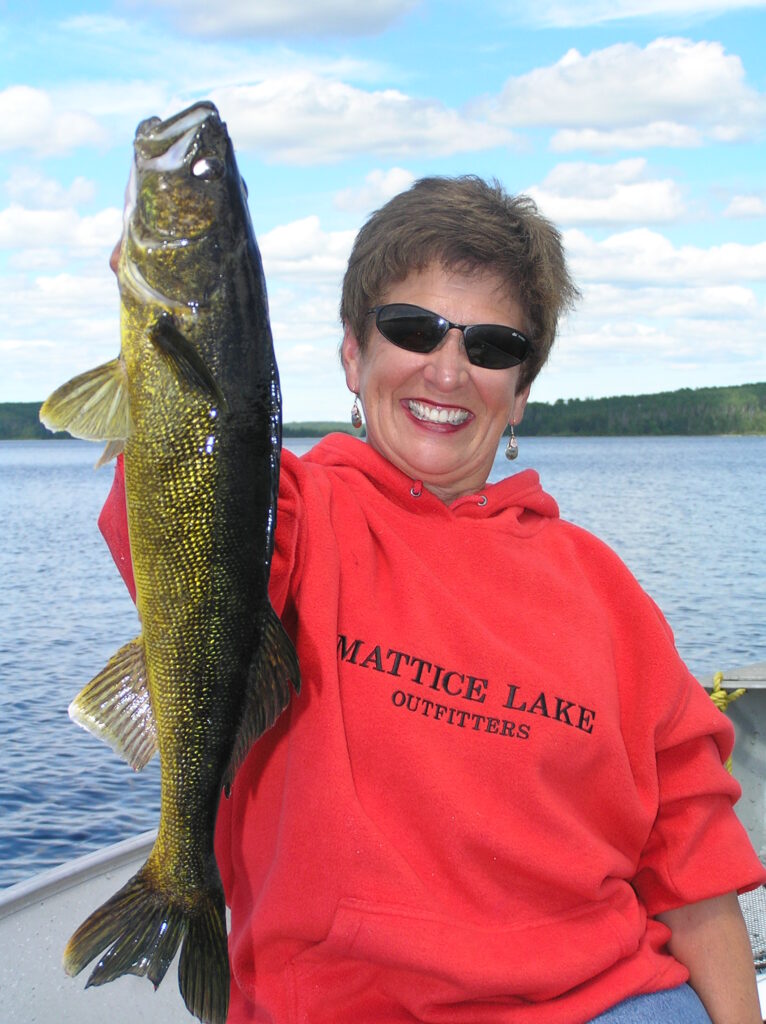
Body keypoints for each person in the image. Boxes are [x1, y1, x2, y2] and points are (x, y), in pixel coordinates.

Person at [99, 176, 765, 1023]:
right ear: (353, 354)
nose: (448, 370)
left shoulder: (605, 590)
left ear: (521, 390)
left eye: (491, 347)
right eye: (412, 330)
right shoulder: (297, 522)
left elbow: (693, 865)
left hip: (616, 1001)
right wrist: (174, 328)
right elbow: (176, 510)